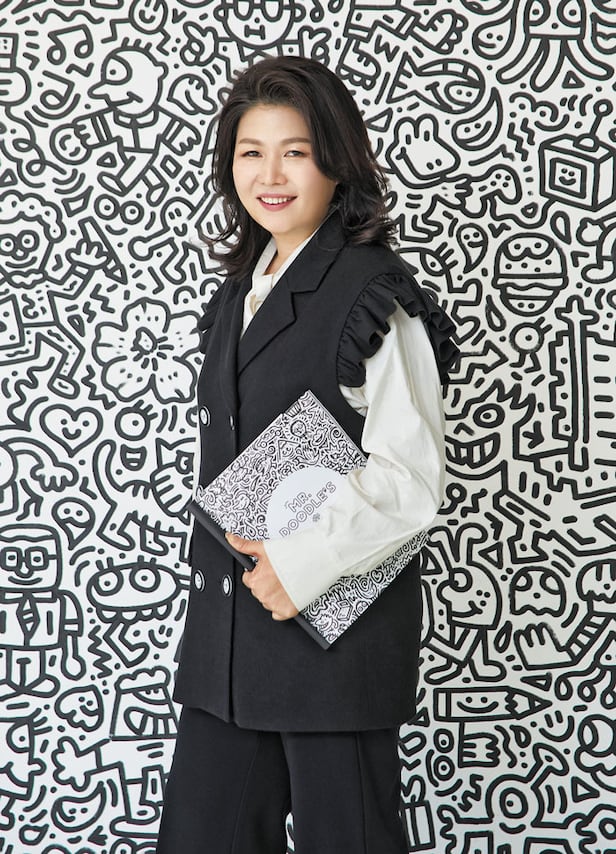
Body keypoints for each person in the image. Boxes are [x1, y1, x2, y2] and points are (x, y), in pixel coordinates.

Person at [156, 55, 458, 854]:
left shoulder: (375, 295)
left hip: (335, 649)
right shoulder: (238, 291)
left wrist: (299, 564)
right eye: (251, 152)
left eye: (296, 151)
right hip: (227, 650)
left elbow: (411, 477)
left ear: (337, 160)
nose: (271, 174)